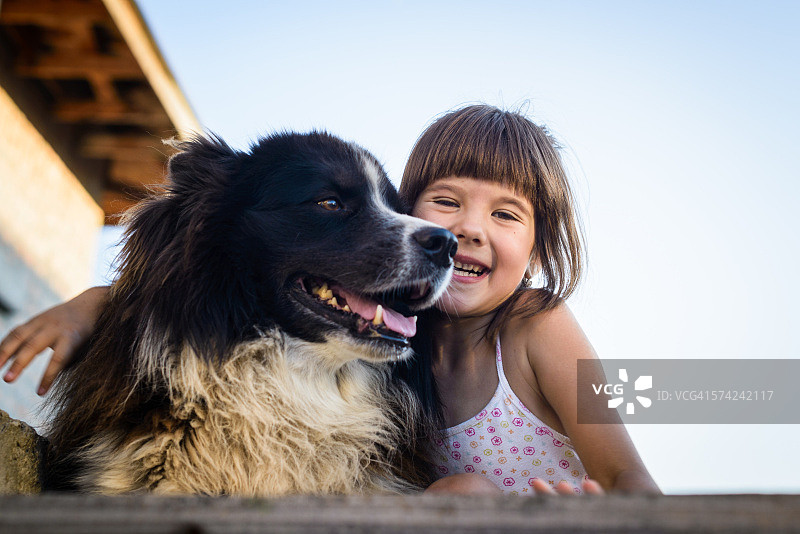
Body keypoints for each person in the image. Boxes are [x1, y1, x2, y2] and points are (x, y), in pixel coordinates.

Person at [0, 105, 659, 496]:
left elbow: (638, 459)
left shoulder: (534, 326)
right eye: (446, 204)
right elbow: (191, 266)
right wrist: (97, 301)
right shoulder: (403, 322)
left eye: (507, 215)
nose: (465, 232)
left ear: (541, 250)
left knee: (466, 493)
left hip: (547, 516)